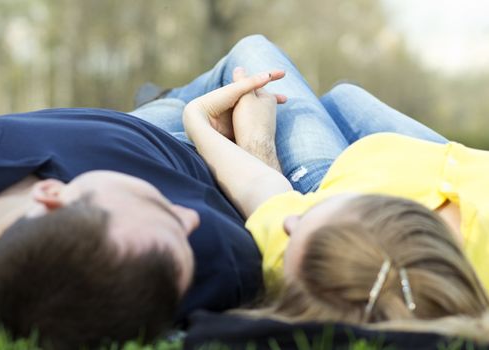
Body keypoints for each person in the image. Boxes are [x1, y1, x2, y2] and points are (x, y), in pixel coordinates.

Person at [174, 34, 489, 328]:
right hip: (429, 159)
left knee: (252, 52)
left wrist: (199, 118)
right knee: (343, 97)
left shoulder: (313, 263)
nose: (289, 223)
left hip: (357, 166)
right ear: (394, 205)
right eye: (306, 214)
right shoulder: (330, 253)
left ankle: (167, 104)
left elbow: (262, 186)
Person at [0, 77, 271, 347]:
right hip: (224, 158)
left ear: (51, 192)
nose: (189, 218)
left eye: (153, 205)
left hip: (149, 121)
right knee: (257, 58)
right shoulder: (209, 259)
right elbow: (276, 212)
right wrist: (254, 149)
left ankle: (167, 100)